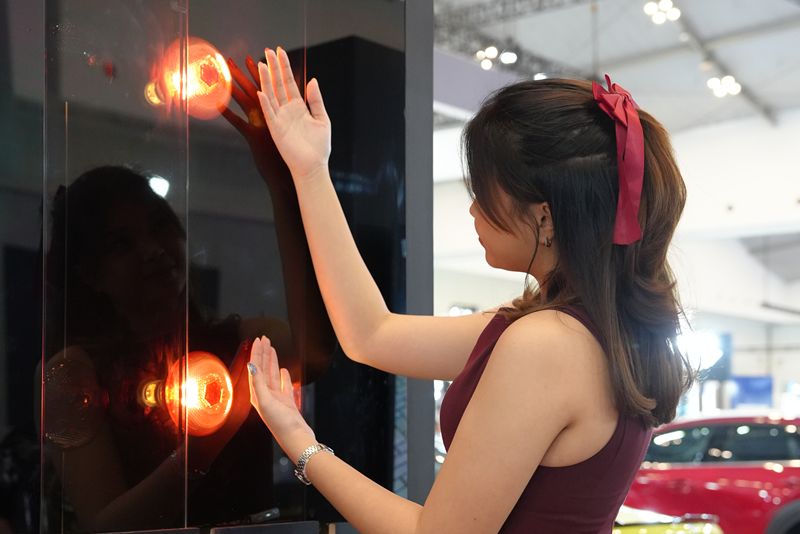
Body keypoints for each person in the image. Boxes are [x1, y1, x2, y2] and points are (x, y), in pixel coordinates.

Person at [246, 46, 693, 533]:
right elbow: (370, 334)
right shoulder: (588, 330)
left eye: (484, 192)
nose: (474, 210)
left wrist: (301, 444)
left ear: (544, 216)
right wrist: (311, 171)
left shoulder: (548, 343)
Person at [37, 55, 335, 530]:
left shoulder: (240, 341)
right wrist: (204, 447)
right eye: (121, 244)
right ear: (90, 273)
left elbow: (314, 356)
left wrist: (284, 183)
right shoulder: (74, 374)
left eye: (159, 226)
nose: (153, 251)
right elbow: (103, 526)